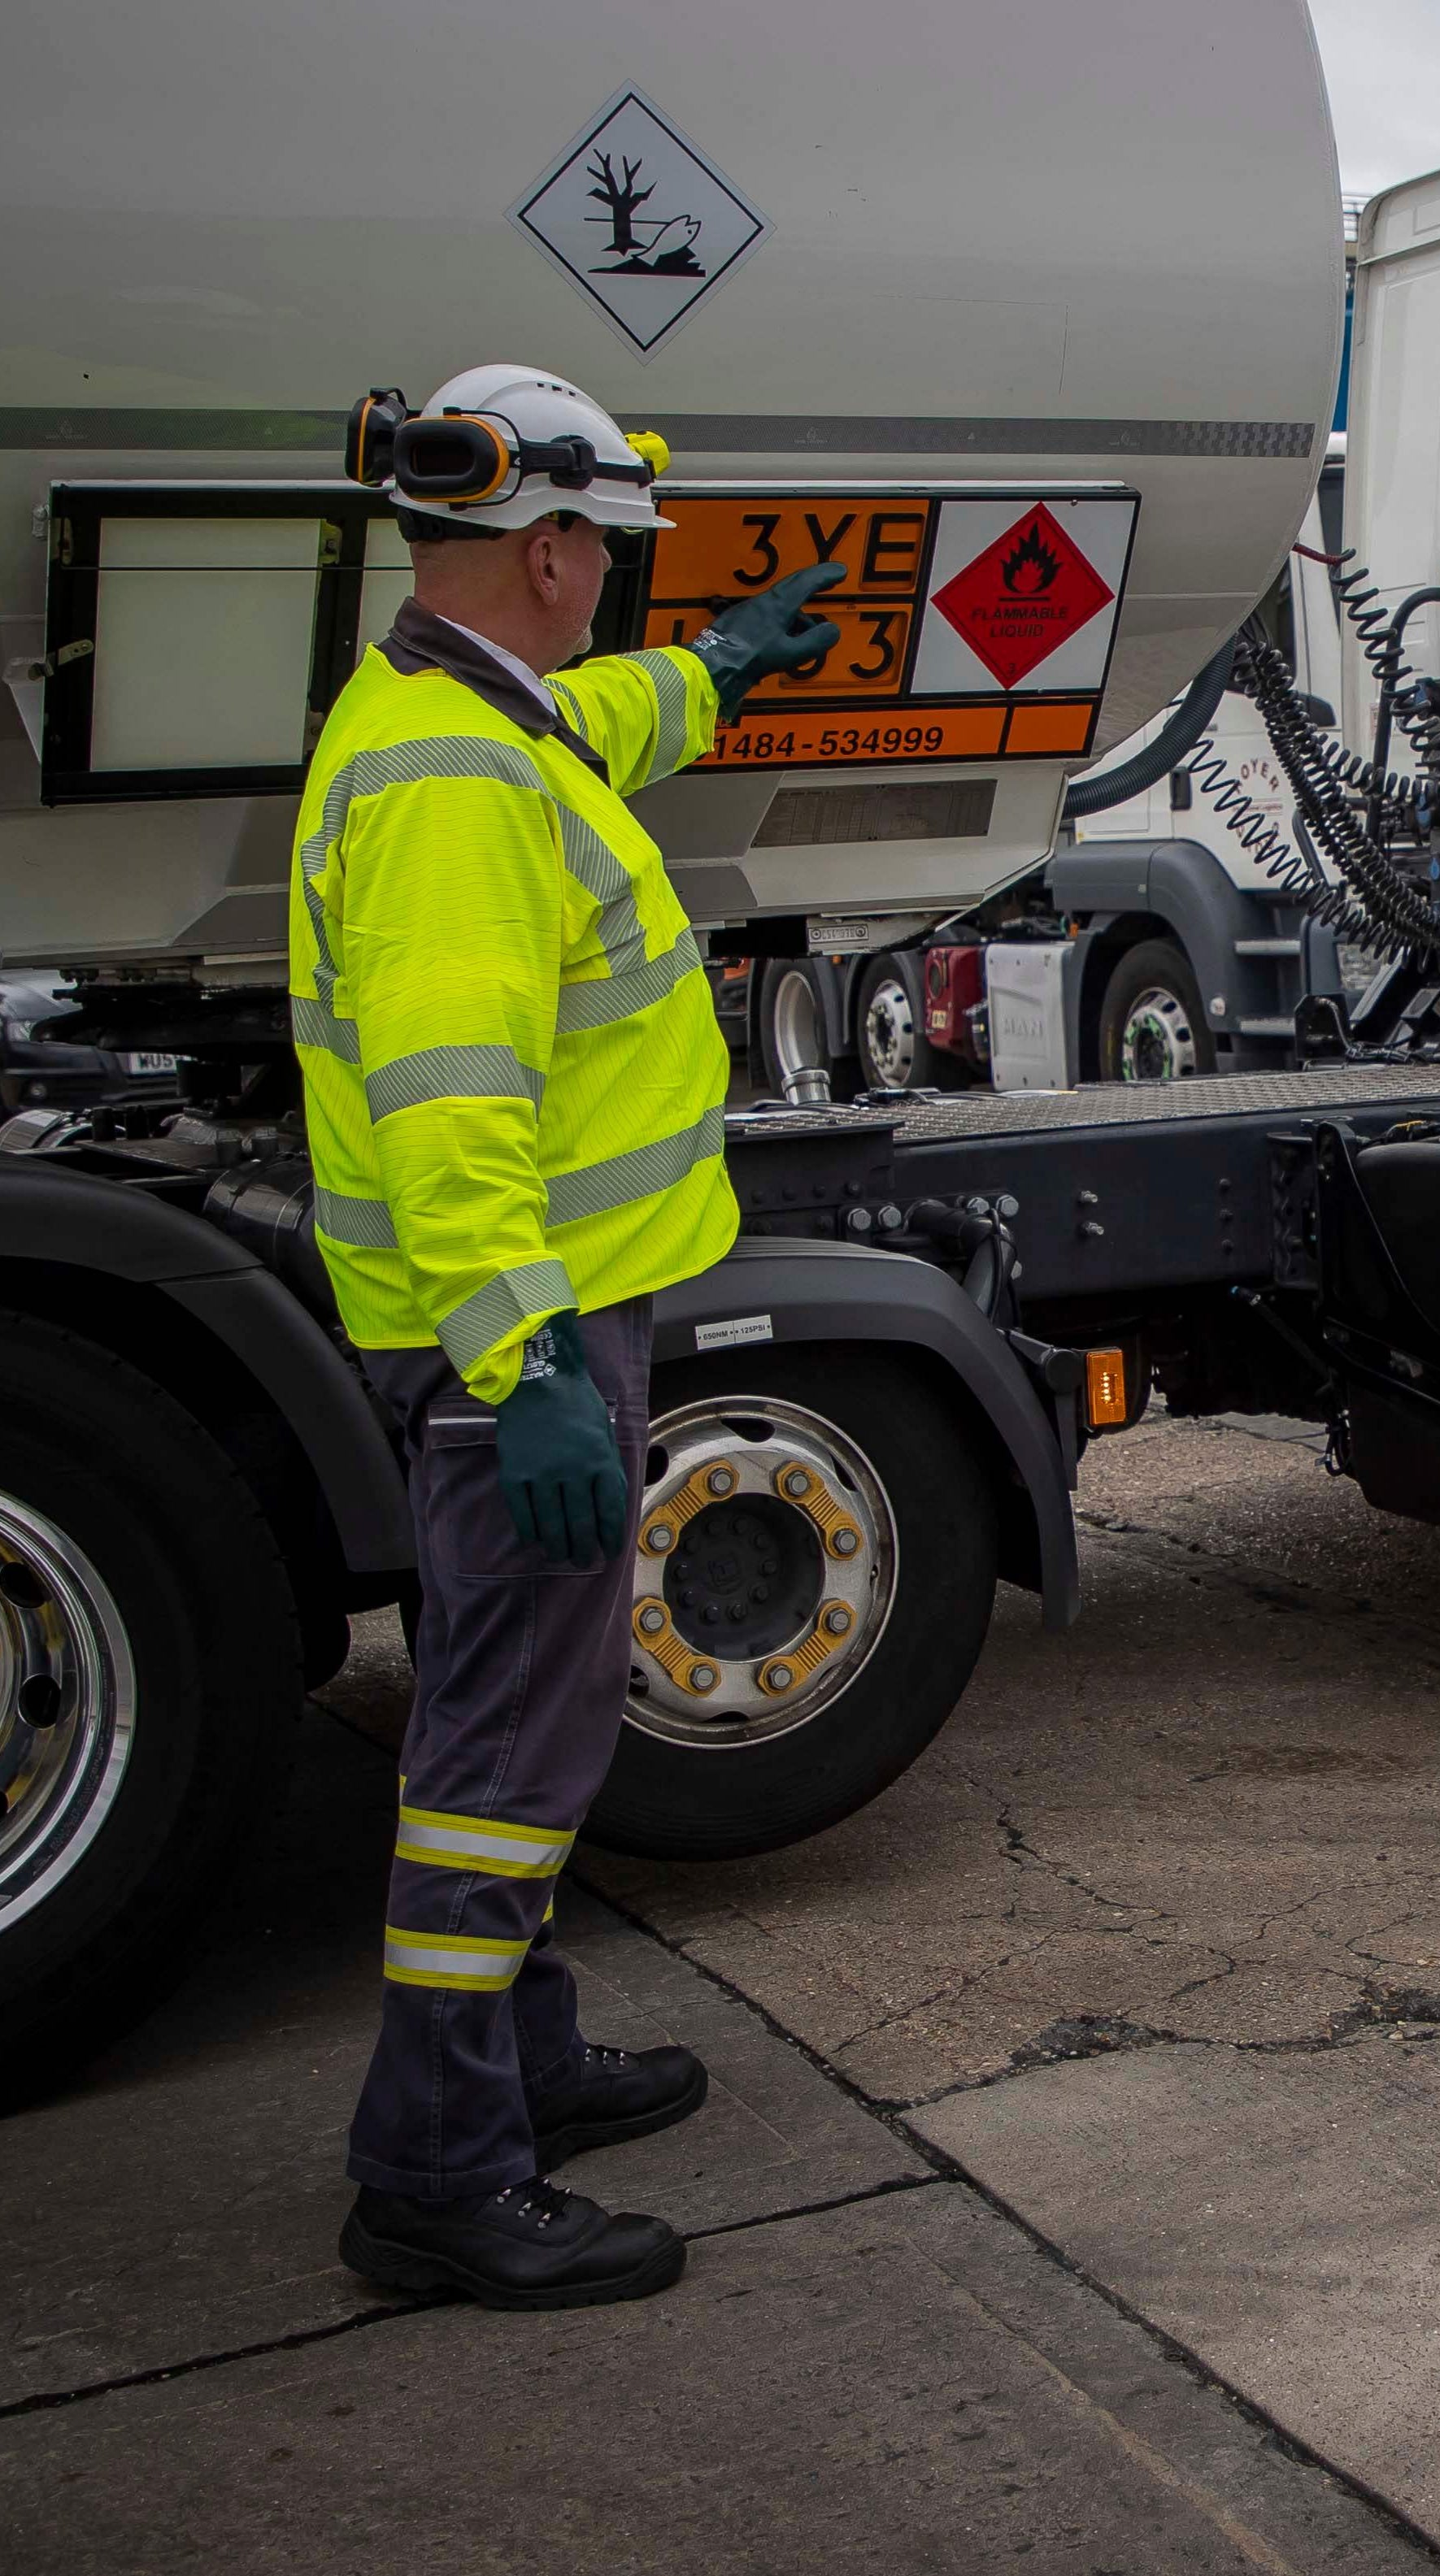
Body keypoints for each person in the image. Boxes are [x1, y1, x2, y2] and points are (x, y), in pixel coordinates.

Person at [298, 362, 841, 2309]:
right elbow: (455, 1105)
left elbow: (591, 720)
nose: (611, 589)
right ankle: (437, 2173)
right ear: (545, 552)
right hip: (510, 1338)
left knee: (500, 1710)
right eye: (607, 557)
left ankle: (520, 2068)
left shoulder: (461, 712)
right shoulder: (449, 786)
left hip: (499, 1324)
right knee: (502, 1753)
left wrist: (718, 673)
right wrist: (524, 1364)